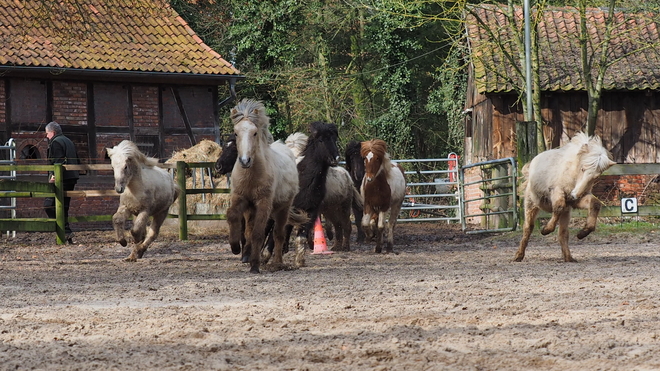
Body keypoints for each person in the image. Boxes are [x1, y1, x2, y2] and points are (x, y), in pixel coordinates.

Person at [44, 121, 80, 244]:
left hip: (62, 178)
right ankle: (67, 233)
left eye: (47, 133)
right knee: (64, 207)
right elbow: (77, 159)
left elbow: (58, 161)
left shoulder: (56, 142)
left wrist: (53, 176)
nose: (46, 136)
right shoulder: (68, 141)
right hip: (72, 177)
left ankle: (65, 231)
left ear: (52, 132)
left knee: (49, 205)